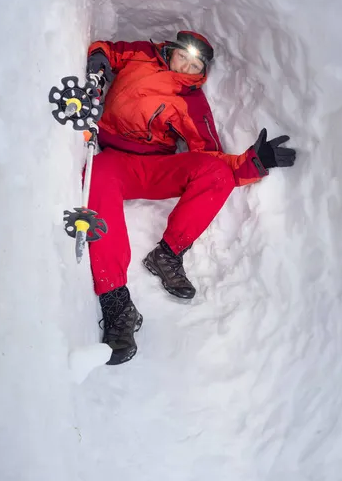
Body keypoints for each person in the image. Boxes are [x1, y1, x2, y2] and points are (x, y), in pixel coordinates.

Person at [86, 30, 296, 365]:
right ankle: (116, 301)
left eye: (195, 63)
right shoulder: (141, 54)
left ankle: (168, 255)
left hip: (155, 167)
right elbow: (109, 51)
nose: (186, 64)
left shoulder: (192, 101)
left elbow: (210, 157)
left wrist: (253, 163)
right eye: (183, 55)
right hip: (113, 159)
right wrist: (98, 59)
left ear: (201, 71)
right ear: (171, 50)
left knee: (216, 173)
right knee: (96, 178)